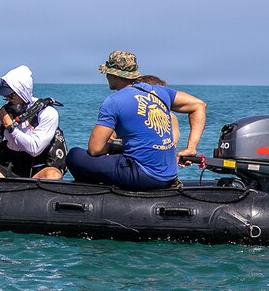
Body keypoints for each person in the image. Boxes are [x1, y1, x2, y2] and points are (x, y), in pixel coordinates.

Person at [65, 50, 206, 190]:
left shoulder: (113, 102)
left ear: (114, 75)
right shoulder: (160, 92)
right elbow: (199, 105)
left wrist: (113, 148)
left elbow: (95, 149)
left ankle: (99, 192)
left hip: (143, 176)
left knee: (74, 155)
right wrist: (191, 148)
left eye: (107, 73)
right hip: (169, 174)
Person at [0, 65, 65, 180]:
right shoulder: (5, 113)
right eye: (5, 97)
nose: (8, 100)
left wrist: (11, 128)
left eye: (11, 96)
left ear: (23, 92)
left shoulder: (47, 114)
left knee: (53, 175)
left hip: (37, 168)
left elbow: (35, 149)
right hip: (9, 166)